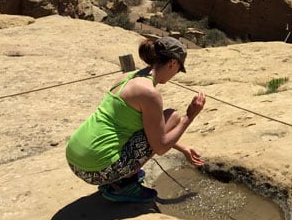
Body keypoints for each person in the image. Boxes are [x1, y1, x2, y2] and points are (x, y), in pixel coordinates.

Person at [66, 36, 206, 203]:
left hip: (75, 159)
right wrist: (189, 117)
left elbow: (150, 129)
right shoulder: (149, 93)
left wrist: (183, 149)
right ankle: (123, 185)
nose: (175, 74)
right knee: (174, 117)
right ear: (173, 63)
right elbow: (160, 146)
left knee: (165, 119)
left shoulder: (127, 77)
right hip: (96, 170)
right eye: (178, 70)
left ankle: (120, 176)